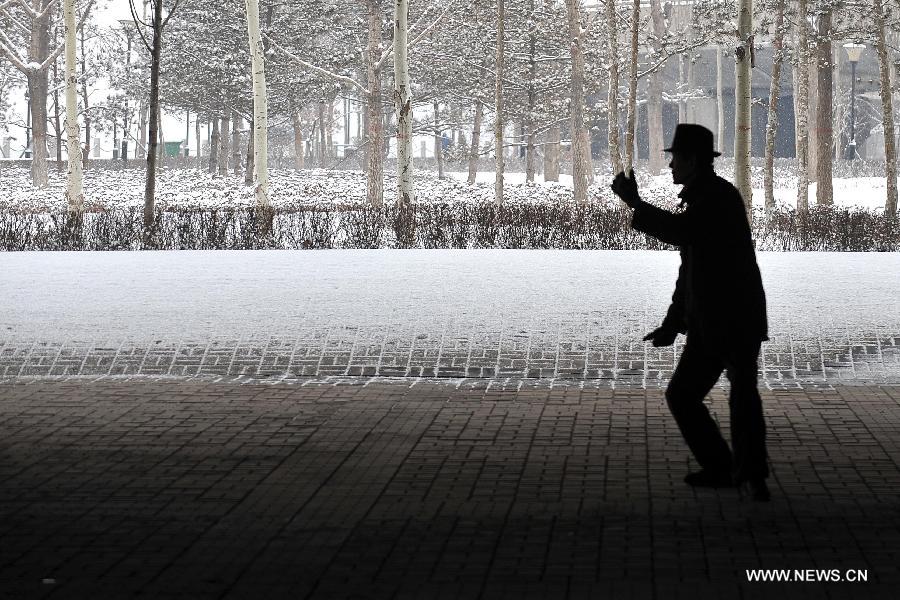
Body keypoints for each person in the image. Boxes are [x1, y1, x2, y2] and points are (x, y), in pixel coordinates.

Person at [610, 123, 771, 502]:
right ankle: (734, 470)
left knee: (725, 396)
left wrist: (636, 204)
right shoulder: (707, 197)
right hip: (719, 321)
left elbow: (683, 236)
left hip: (730, 321)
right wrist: (672, 323)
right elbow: (690, 270)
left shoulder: (716, 199)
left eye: (674, 159)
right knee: (703, 396)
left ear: (692, 161)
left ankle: (742, 472)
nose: (670, 167)